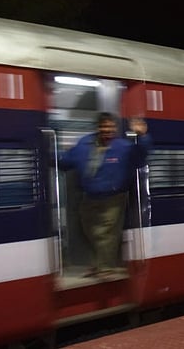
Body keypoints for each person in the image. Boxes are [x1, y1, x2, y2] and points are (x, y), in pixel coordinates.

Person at [60, 112, 151, 277]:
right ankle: (99, 264)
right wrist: (51, 153)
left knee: (107, 232)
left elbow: (140, 157)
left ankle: (105, 267)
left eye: (110, 126)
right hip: (89, 196)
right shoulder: (84, 143)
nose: (106, 130)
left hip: (114, 197)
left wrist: (143, 136)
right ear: (98, 128)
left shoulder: (123, 147)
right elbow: (66, 160)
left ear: (115, 128)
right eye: (103, 126)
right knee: (90, 231)